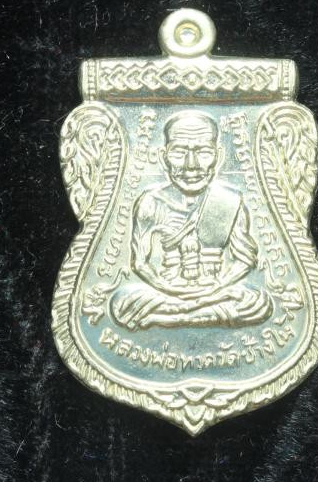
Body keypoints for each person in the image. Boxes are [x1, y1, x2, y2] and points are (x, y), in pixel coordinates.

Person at [110, 110, 272, 330]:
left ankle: (171, 319)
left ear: (219, 156)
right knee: (122, 304)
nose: (191, 165)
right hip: (167, 291)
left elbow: (245, 260)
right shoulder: (151, 202)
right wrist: (170, 290)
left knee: (258, 302)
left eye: (204, 152)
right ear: (163, 157)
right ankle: (196, 315)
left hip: (215, 291)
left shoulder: (230, 201)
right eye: (179, 152)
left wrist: (213, 289)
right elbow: (139, 263)